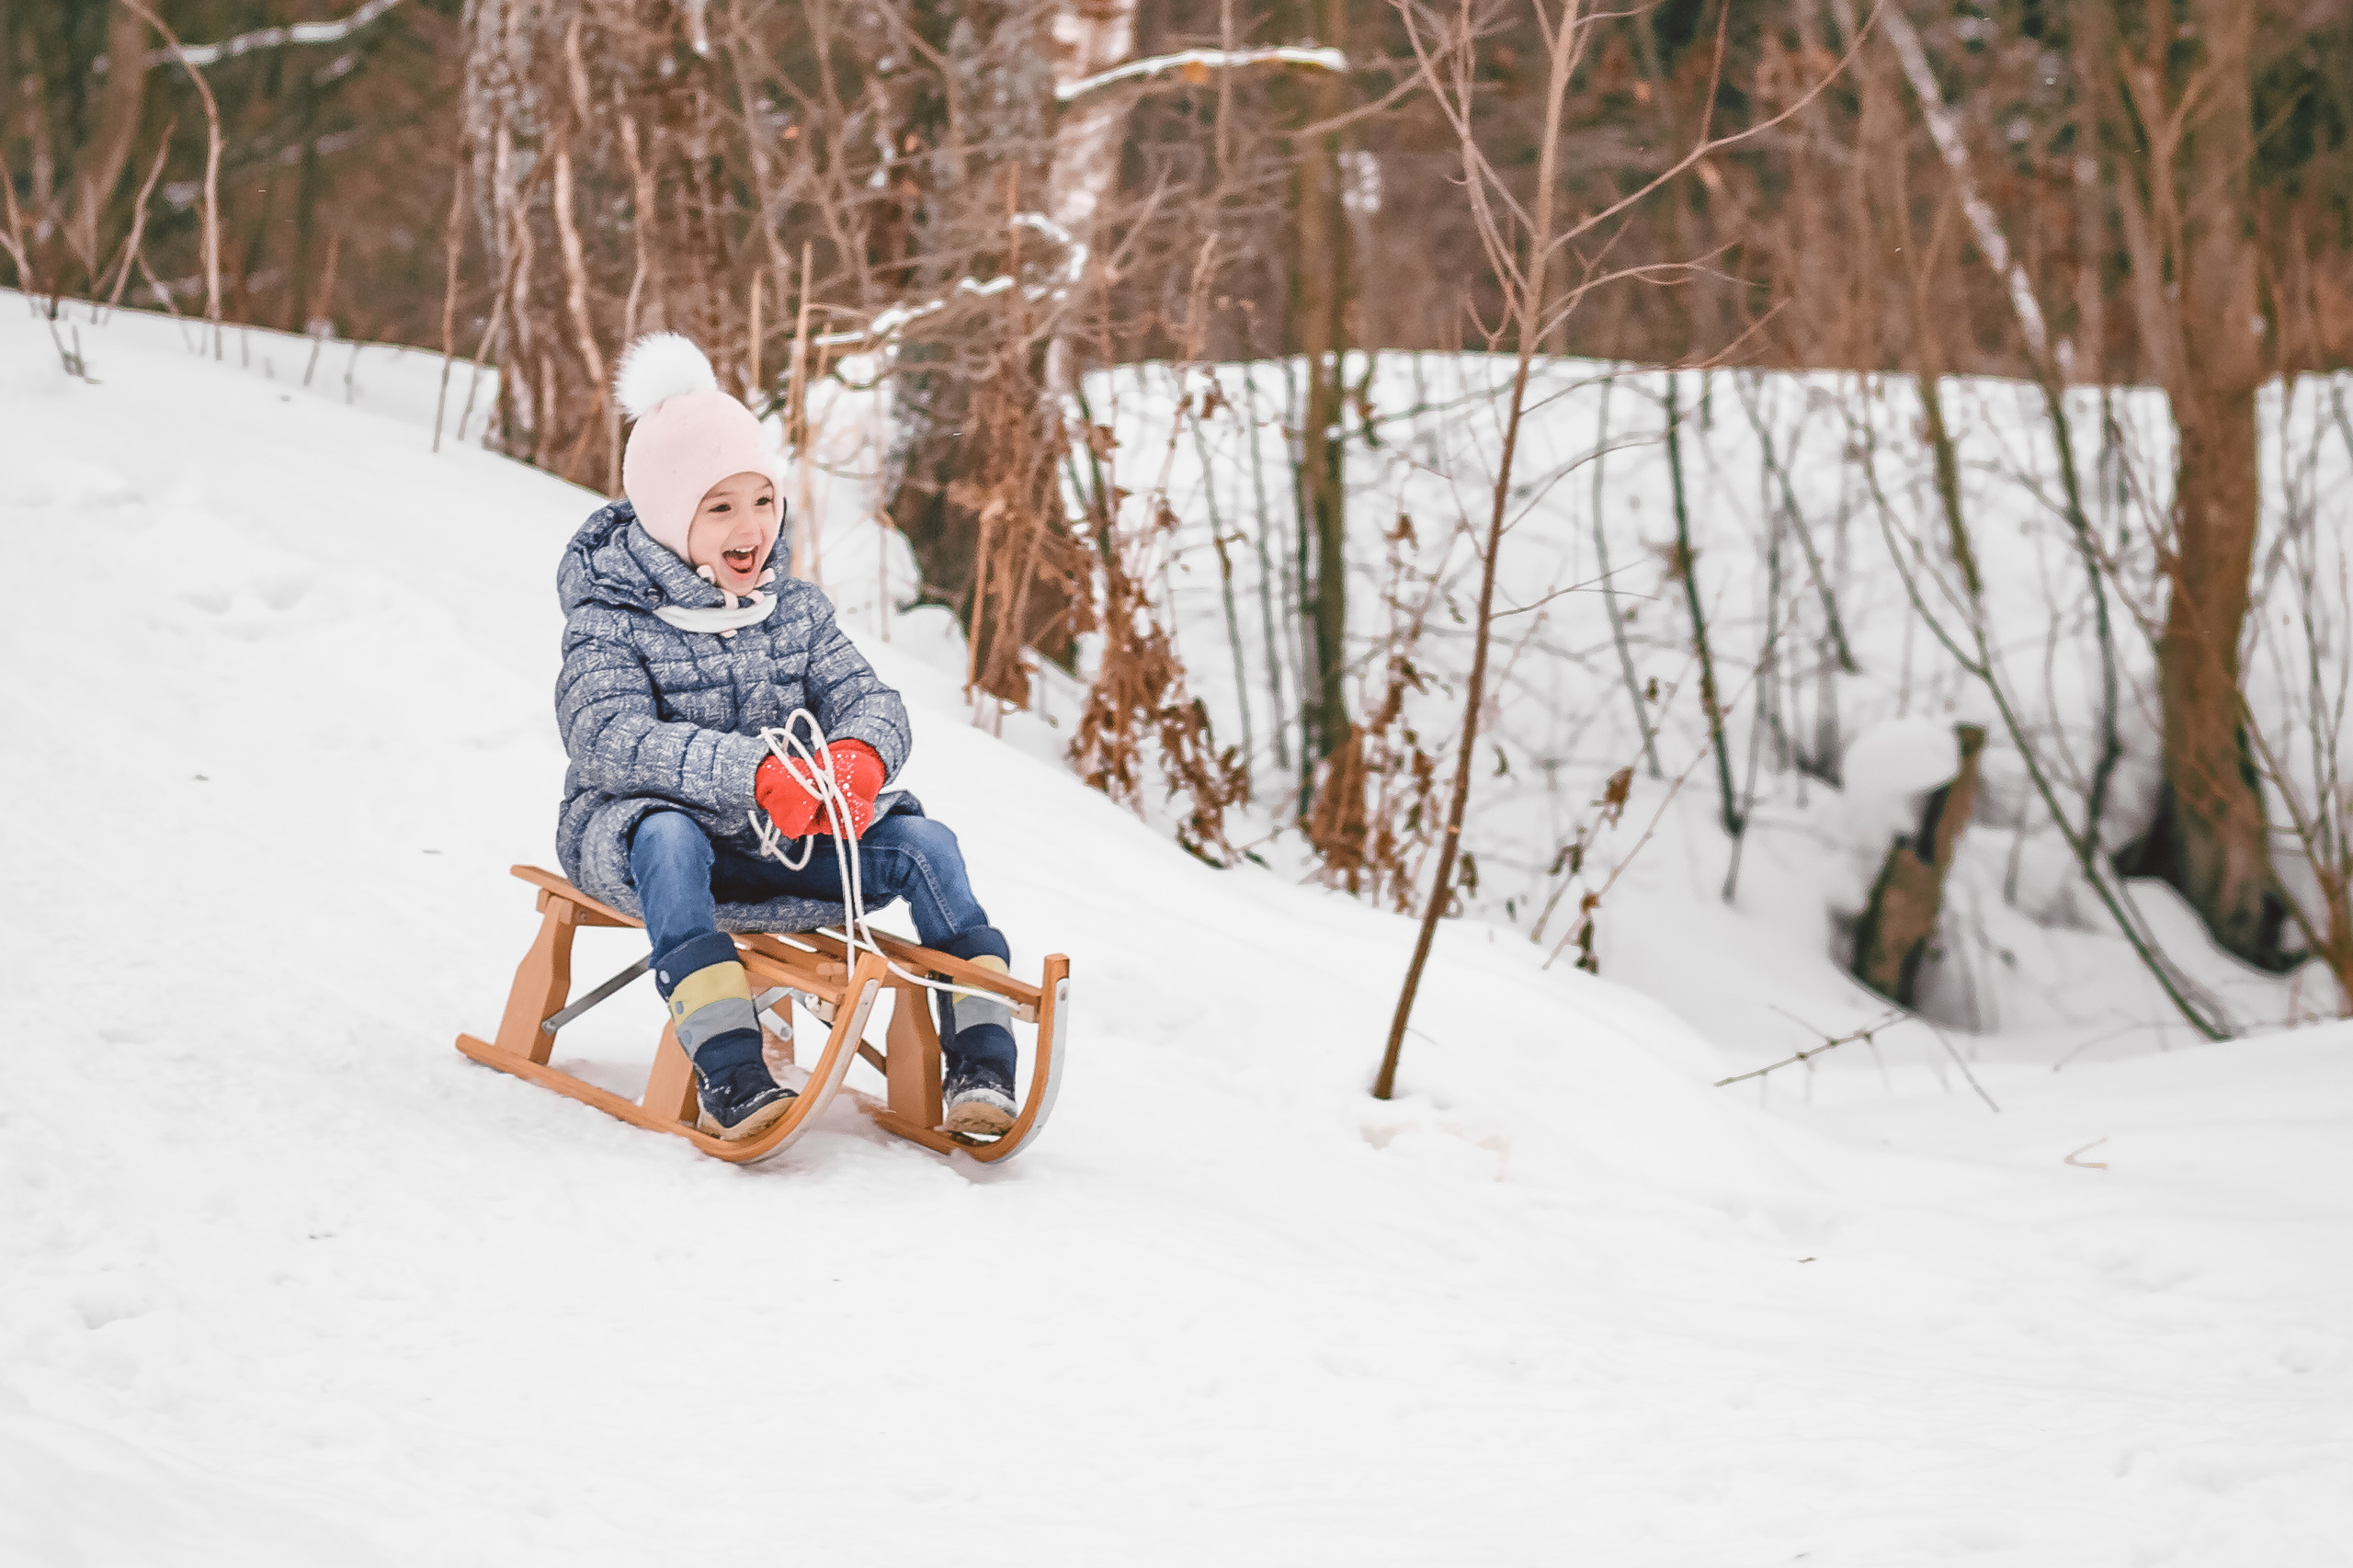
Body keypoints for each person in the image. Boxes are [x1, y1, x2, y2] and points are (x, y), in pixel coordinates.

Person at [552, 333, 1018, 1143]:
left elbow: (870, 698)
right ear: (669, 515)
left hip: (787, 844)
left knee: (927, 844)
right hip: (653, 850)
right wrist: (755, 771)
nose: (751, 527)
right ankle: (732, 1069)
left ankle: (981, 1060)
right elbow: (606, 735)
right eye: (721, 506)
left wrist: (857, 757)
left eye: (763, 500)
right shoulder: (610, 621)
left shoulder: (795, 613)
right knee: (666, 834)